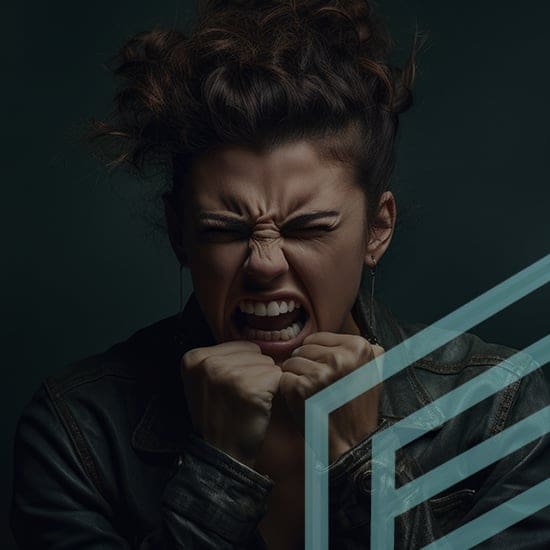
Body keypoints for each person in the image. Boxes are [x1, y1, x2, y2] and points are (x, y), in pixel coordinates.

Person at [10, 1, 550, 548]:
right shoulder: (78, 432)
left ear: (377, 231)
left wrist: (364, 465)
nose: (264, 265)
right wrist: (218, 472)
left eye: (309, 227)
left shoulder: (501, 414)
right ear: (180, 233)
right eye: (224, 230)